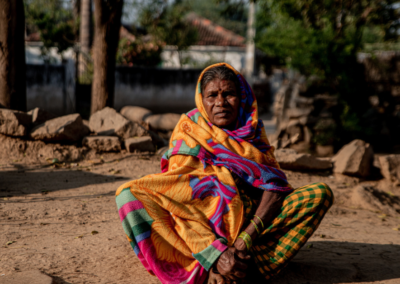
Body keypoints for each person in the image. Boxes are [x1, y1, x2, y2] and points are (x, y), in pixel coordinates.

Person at [116, 63, 334, 284]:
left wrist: (244, 239)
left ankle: (241, 265)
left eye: (228, 94)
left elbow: (275, 189)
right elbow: (180, 199)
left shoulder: (252, 131)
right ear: (202, 99)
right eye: (212, 95)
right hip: (198, 232)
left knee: (319, 194)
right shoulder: (189, 129)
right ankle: (209, 265)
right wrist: (215, 252)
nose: (220, 102)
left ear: (241, 97)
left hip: (250, 227)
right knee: (128, 194)